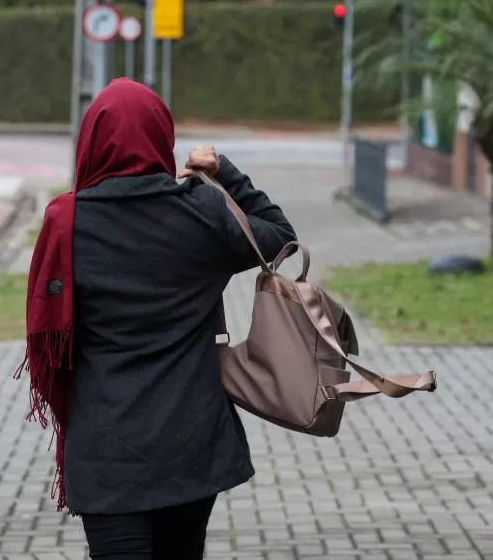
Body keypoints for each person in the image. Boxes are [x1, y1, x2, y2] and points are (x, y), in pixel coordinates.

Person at [19, 78, 297, 560]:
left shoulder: (67, 221)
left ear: (91, 141)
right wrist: (225, 172)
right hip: (191, 445)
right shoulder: (202, 211)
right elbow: (278, 235)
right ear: (161, 139)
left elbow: (49, 344)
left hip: (106, 448)